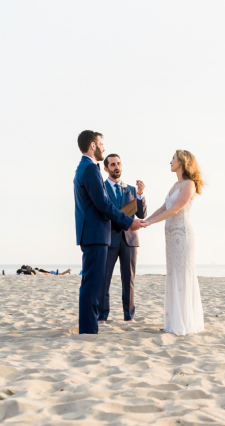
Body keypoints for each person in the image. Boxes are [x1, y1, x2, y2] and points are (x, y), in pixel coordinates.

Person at [74, 130, 146, 335]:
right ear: (93, 146)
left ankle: (89, 327)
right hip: (96, 235)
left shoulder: (84, 167)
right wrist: (127, 222)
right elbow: (103, 205)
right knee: (93, 285)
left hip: (93, 234)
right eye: (101, 144)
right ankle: (89, 329)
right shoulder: (89, 169)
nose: (103, 148)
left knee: (92, 284)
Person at [145, 150, 204, 335]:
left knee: (182, 274)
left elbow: (175, 210)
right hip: (170, 237)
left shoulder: (188, 185)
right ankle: (173, 321)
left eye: (173, 158)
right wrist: (144, 221)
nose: (170, 161)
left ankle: (183, 322)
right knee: (172, 274)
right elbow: (164, 207)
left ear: (182, 161)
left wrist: (150, 223)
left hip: (182, 236)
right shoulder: (175, 185)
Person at [98, 153, 147, 322]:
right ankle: (102, 316)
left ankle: (129, 316)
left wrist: (140, 195)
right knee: (104, 280)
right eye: (112, 164)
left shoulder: (132, 190)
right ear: (106, 169)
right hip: (109, 239)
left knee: (129, 280)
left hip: (130, 240)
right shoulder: (101, 188)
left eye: (118, 164)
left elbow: (141, 214)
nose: (116, 167)